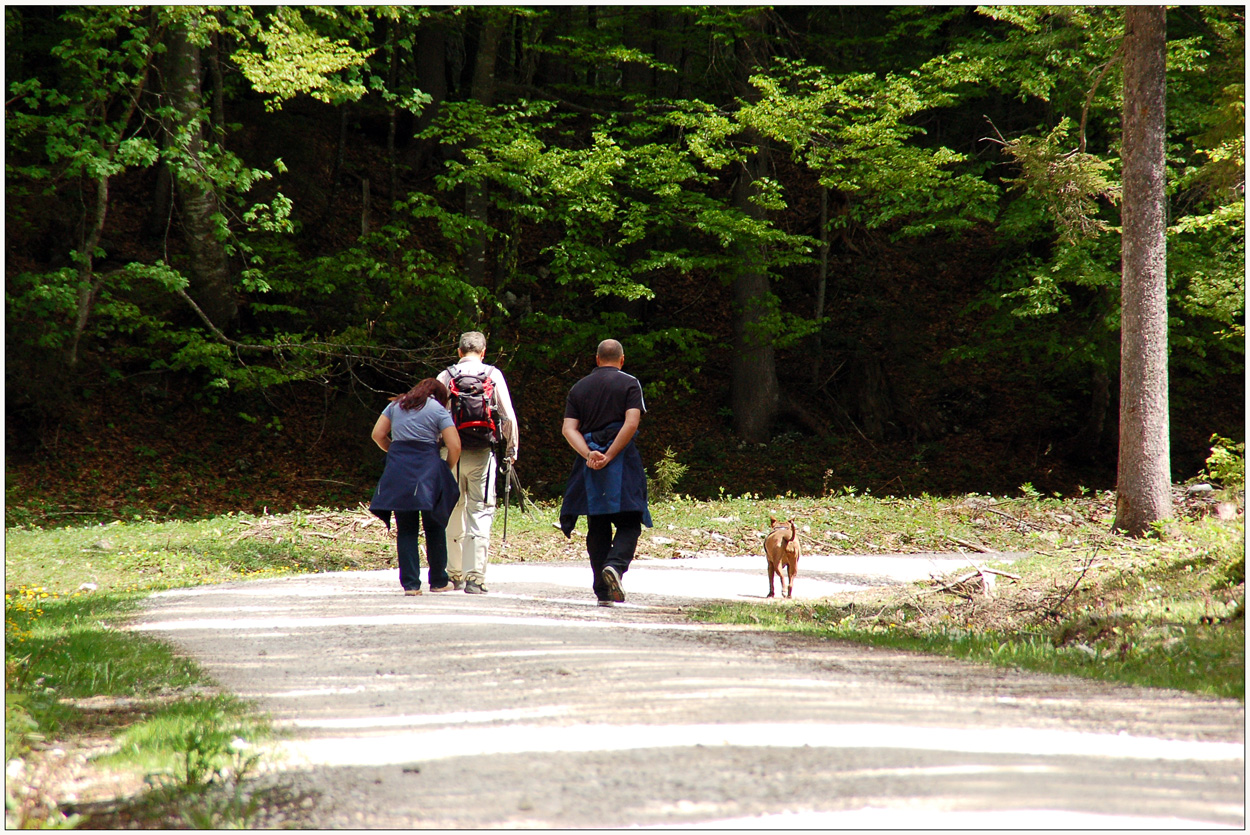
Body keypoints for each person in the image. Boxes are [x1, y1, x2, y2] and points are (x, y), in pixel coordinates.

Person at [559, 339, 652, 607]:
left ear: (597, 359)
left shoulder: (579, 387)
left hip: (590, 464)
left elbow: (568, 429)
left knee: (597, 523)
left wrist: (590, 454)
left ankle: (603, 591)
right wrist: (610, 454)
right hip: (621, 460)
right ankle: (615, 566)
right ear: (621, 360)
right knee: (629, 521)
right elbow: (631, 422)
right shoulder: (630, 383)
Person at [436, 331, 519, 594]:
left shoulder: (445, 376)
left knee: (452, 510)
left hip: (449, 455)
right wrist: (512, 450)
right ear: (483, 352)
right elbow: (508, 417)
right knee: (480, 511)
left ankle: (453, 574)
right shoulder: (493, 375)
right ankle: (475, 578)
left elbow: (434, 416)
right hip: (483, 454)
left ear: (459, 351)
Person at [369, 378, 461, 596]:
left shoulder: (395, 405)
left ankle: (411, 585)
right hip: (428, 472)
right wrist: (446, 466)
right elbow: (454, 444)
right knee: (435, 525)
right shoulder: (438, 409)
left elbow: (377, 435)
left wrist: (395, 451)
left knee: (406, 529)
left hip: (399, 472)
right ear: (439, 396)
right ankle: (438, 581)